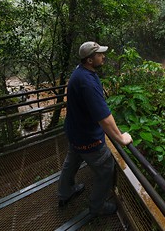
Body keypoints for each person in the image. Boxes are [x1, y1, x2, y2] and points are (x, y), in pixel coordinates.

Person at [57, 41, 133, 216]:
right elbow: (104, 117)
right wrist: (121, 138)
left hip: (74, 131)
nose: (103, 56)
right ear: (90, 60)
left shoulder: (79, 71)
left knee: (72, 161)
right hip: (87, 137)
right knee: (106, 167)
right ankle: (97, 207)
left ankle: (65, 192)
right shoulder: (88, 83)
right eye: (99, 54)